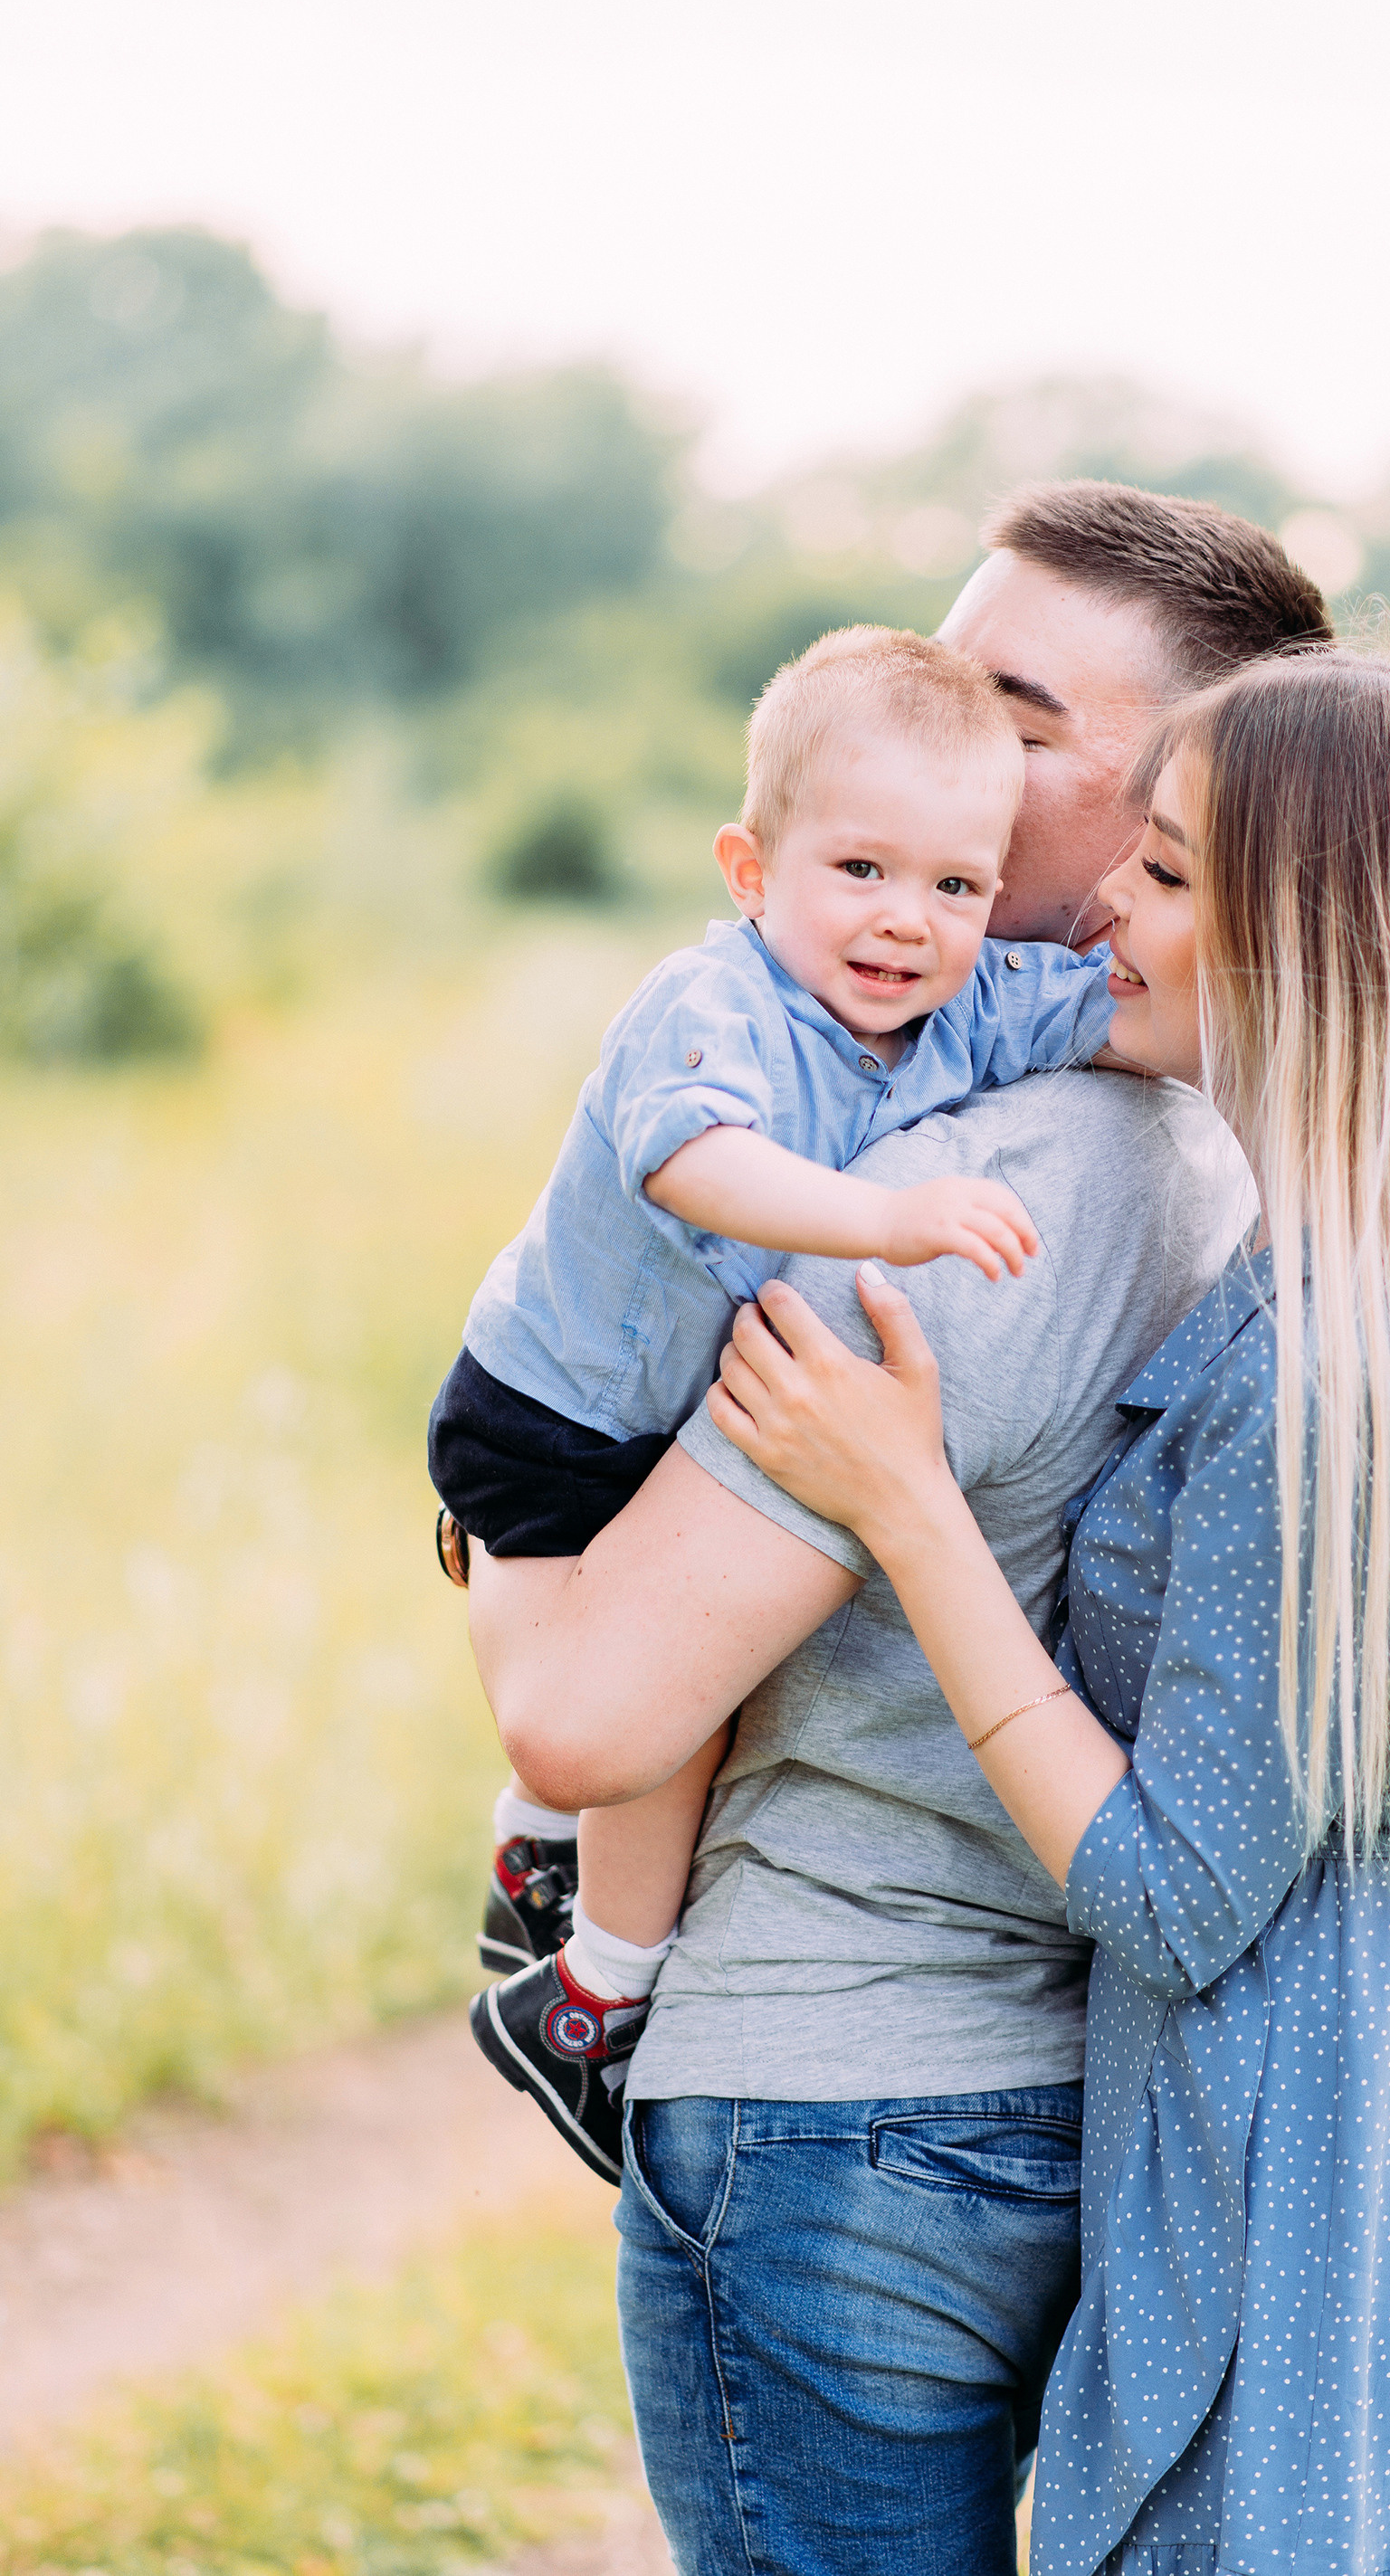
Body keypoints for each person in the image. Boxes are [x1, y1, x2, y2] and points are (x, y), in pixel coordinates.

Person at [705, 644, 1390, 2576]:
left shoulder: (1324, 1373)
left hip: (1318, 2143)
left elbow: (1169, 1883)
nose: (1102, 913)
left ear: (1308, 952)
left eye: (1165, 877)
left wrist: (914, 1513)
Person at [465, 481, 1331, 2576]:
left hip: (826, 2105)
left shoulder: (972, 1205)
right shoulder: (1221, 1136)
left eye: (1018, 710)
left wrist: (488, 1500)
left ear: (1183, 779)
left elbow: (583, 1713)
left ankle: (576, 1973)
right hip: (1072, 2089)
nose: (942, 717)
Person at [431, 625, 1119, 2176]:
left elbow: (1101, 1008)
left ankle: (543, 1880)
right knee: (642, 1717)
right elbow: (692, 1158)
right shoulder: (713, 1002)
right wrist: (895, 1213)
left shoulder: (958, 1007)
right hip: (549, 1417)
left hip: (651, 1410)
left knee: (688, 1689)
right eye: (860, 870)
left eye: (956, 886)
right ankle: (594, 1998)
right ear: (752, 869)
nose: (907, 923)